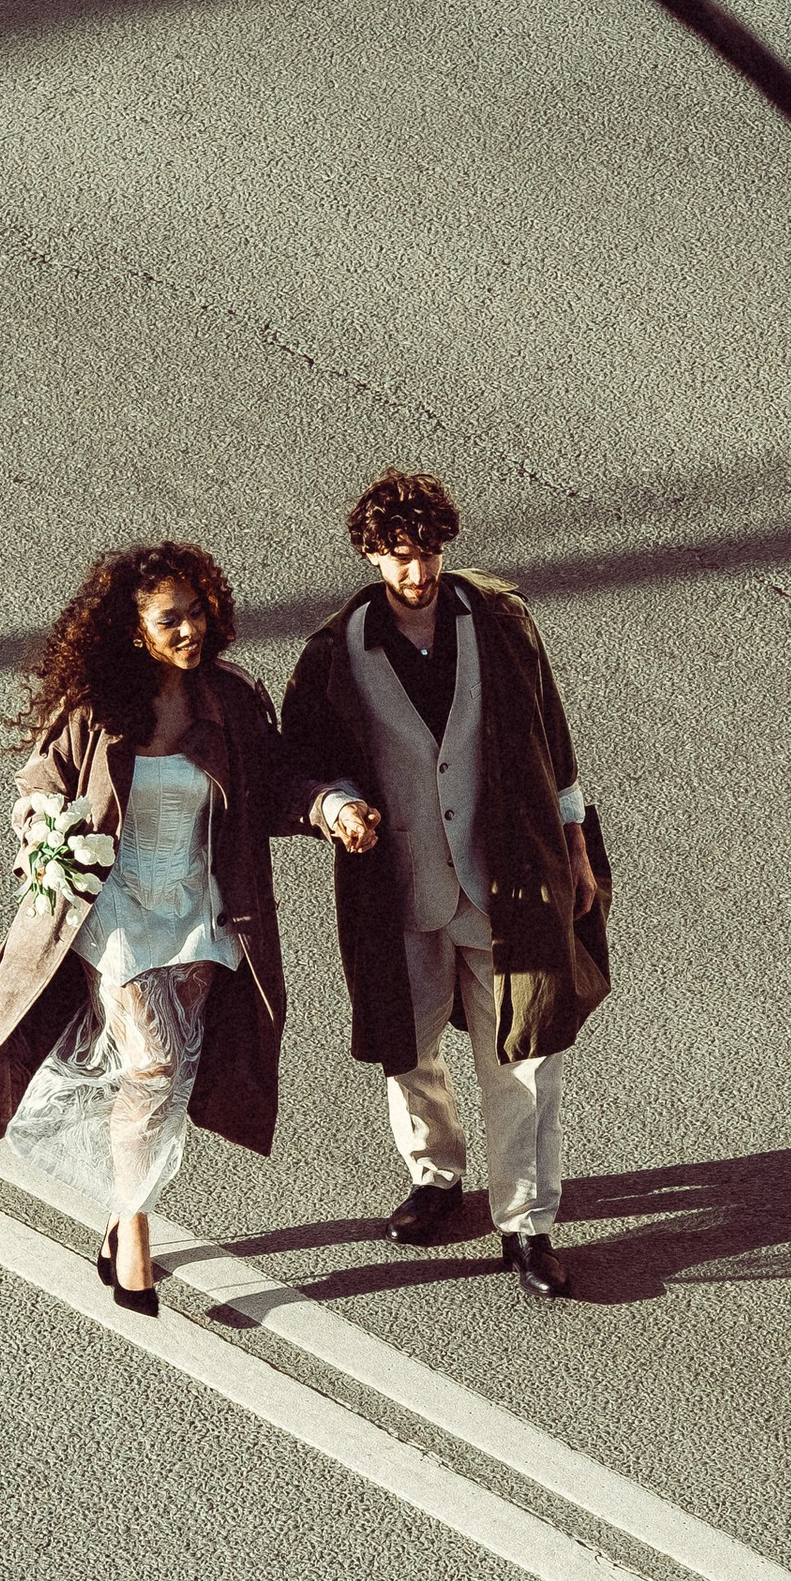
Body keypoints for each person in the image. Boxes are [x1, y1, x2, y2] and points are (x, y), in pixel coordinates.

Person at [280, 470, 607, 1300]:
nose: (416, 575)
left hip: (510, 884)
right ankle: (436, 1175)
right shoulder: (332, 653)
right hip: (400, 890)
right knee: (409, 1045)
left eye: (426, 555)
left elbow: (553, 736)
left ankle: (527, 1225)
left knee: (525, 1057)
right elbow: (298, 770)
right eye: (398, 559)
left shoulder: (500, 620)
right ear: (369, 555)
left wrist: (574, 847)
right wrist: (333, 806)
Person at [0, 544, 299, 1312]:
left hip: (200, 913)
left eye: (197, 612)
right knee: (157, 1063)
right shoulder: (96, 708)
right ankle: (136, 1229)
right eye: (170, 618)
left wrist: (331, 806)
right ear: (135, 629)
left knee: (168, 1076)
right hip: (116, 916)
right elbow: (40, 786)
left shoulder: (232, 702)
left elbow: (276, 786)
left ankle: (116, 1215)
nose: (190, 629)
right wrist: (42, 831)